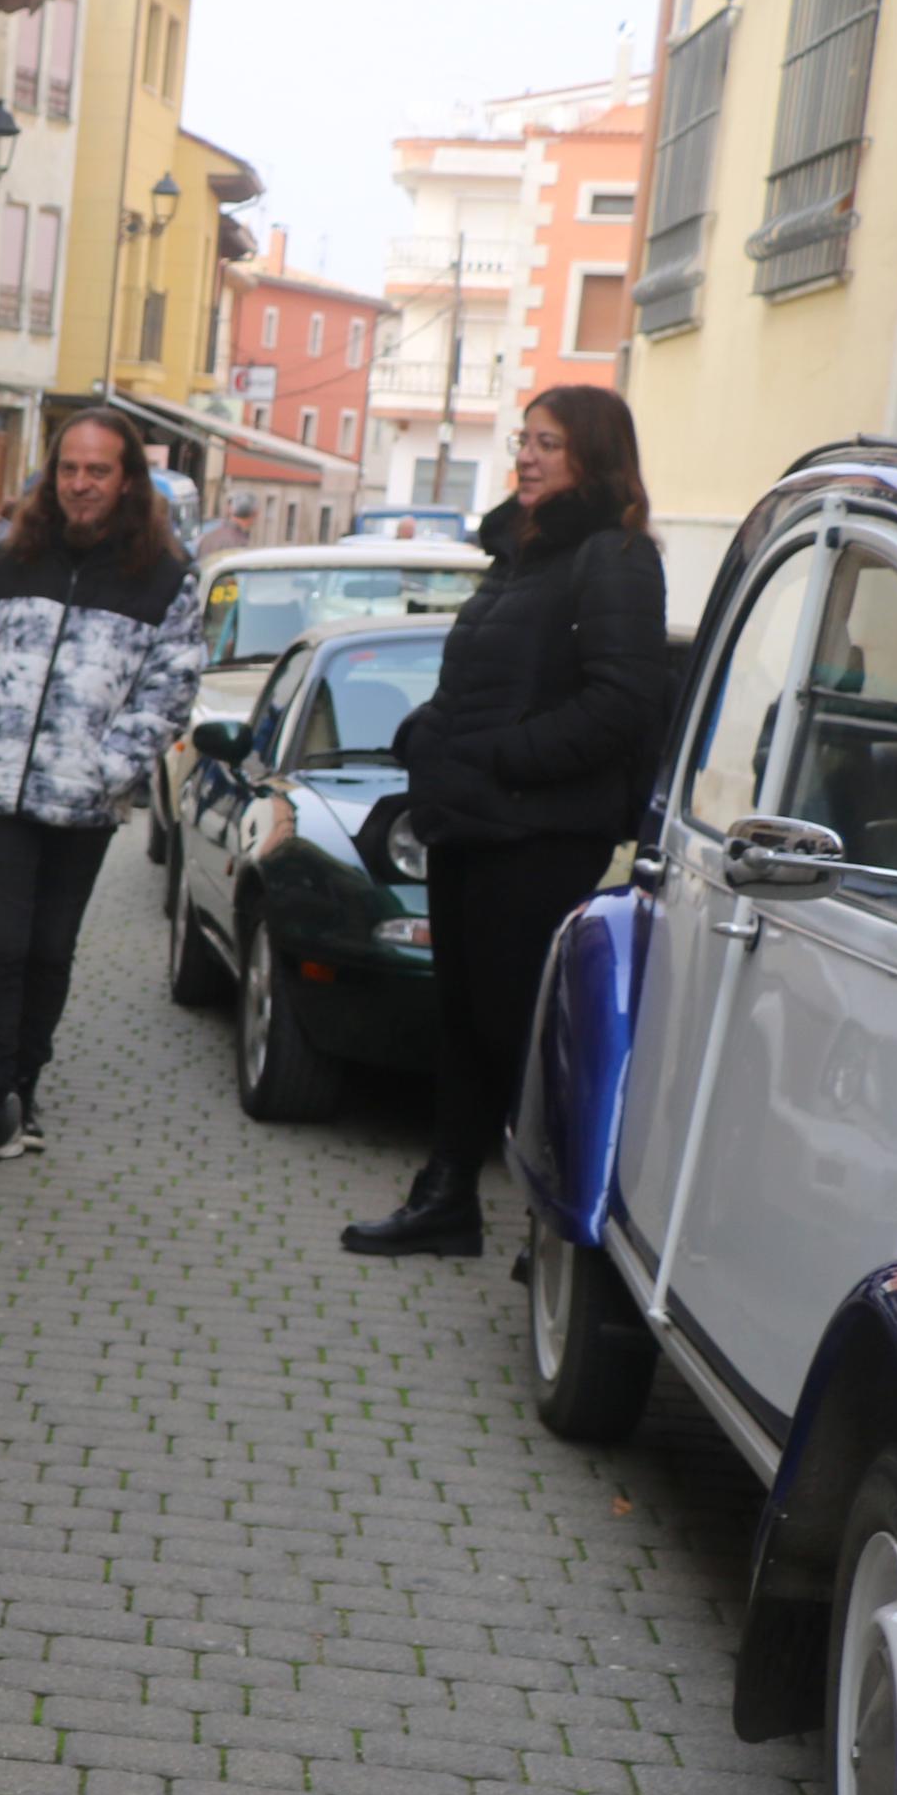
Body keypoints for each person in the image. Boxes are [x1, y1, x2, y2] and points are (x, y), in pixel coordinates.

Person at [342, 387, 671, 1256]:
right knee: (463, 1020)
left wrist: (500, 758)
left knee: (518, 1029)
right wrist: (428, 734)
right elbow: (484, 681)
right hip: (470, 822)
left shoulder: (614, 555)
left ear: (592, 457)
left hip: (536, 833)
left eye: (546, 443)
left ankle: (559, 1228)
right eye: (522, 440)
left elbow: (624, 702)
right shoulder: (522, 551)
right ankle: (447, 1199)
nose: (523, 456)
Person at [0, 411, 203, 1165]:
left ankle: (22, 1087)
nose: (81, 484)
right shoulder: (8, 558)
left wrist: (108, 768)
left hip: (82, 800)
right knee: (3, 945)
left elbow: (168, 691)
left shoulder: (165, 580)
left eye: (98, 471)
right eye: (69, 469)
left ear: (125, 482)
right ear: (52, 476)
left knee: (50, 949)